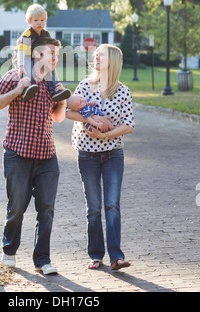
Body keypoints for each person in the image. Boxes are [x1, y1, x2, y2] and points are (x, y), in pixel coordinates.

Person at [0, 37, 66, 275]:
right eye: (50, 53)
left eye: (57, 55)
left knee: (46, 209)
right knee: (17, 207)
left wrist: (61, 100)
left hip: (46, 156)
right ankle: (9, 250)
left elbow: (58, 117)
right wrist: (18, 90)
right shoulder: (15, 76)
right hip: (17, 154)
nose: (54, 58)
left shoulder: (52, 83)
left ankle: (42, 260)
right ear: (35, 55)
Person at [66, 44, 135, 271]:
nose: (96, 58)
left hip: (113, 154)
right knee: (93, 207)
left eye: (101, 55)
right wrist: (91, 119)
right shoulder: (85, 86)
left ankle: (116, 257)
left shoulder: (123, 91)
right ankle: (96, 256)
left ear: (112, 61)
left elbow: (128, 125)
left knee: (112, 205)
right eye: (95, 55)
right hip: (87, 155)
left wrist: (105, 135)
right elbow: (68, 111)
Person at [13, 3, 71, 102]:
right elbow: (22, 52)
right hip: (23, 57)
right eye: (36, 20)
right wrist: (20, 65)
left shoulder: (46, 34)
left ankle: (55, 90)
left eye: (42, 20)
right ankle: (27, 89)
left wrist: (50, 59)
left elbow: (48, 48)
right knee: (27, 67)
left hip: (37, 56)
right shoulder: (27, 35)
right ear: (29, 21)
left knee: (49, 65)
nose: (39, 23)